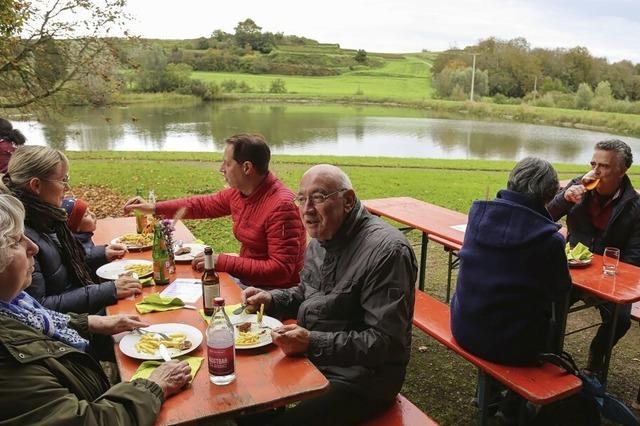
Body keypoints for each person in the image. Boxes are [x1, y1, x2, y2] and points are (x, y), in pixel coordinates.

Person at [240, 164, 417, 425]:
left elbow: (387, 343)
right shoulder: (322, 238)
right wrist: (272, 299)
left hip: (364, 379)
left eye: (319, 197)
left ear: (348, 201)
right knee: (246, 398)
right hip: (316, 359)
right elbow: (307, 292)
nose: (307, 209)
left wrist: (312, 342)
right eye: (302, 198)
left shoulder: (387, 252)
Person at [0, 193, 192, 425]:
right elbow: (88, 420)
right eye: (15, 241)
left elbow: (42, 323)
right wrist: (154, 386)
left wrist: (89, 322)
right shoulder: (8, 358)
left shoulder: (16, 306)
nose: (33, 247)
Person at [123, 133, 306, 289]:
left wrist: (223, 262)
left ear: (247, 168)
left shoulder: (282, 206)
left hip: (272, 293)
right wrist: (154, 208)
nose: (221, 169)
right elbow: (200, 205)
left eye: (227, 164)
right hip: (248, 282)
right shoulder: (240, 192)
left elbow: (281, 271)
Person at [451, 157, 572, 365]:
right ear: (549, 194)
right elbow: (560, 290)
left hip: (464, 327)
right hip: (511, 346)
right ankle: (515, 398)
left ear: (511, 182)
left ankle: (494, 393)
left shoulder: (478, 215)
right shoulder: (550, 240)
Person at [1, 145, 141, 314]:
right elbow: (39, 307)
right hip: (74, 326)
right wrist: (108, 290)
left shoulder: (46, 218)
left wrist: (102, 253)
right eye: (63, 180)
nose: (67, 188)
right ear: (36, 185)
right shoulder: (18, 234)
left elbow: (63, 264)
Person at [547, 139, 640, 376]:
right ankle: (550, 353)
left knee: (621, 320)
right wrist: (563, 199)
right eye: (593, 164)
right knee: (548, 304)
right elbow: (544, 216)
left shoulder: (635, 205)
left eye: (605, 166)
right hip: (572, 268)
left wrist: (609, 281)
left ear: (623, 170)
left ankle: (597, 353)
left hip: (610, 277)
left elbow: (634, 255)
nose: (595, 171)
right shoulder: (579, 187)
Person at [62, 196, 127, 269]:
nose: (93, 215)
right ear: (76, 227)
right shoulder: (74, 245)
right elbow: (85, 260)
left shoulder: (82, 237)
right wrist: (103, 254)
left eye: (90, 211)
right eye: (86, 215)